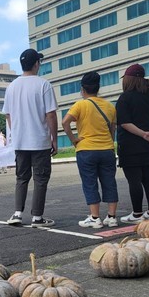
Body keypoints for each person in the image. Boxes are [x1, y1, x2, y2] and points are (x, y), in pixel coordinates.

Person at [2, 48, 58, 228]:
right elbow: (51, 115)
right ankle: (37, 217)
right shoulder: (43, 85)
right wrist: (54, 138)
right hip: (39, 140)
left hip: (20, 141)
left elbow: (8, 115)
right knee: (40, 178)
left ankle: (18, 213)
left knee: (21, 177)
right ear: (36, 64)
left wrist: (16, 132)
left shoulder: (11, 87)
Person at [62, 71, 119, 229]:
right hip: (107, 149)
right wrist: (108, 142)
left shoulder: (80, 105)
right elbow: (112, 129)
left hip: (86, 150)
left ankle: (95, 218)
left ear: (83, 89)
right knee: (109, 182)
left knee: (90, 183)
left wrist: (73, 139)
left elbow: (65, 122)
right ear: (98, 87)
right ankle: (112, 217)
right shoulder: (109, 106)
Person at [116, 64, 149, 224]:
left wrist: (142, 134)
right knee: (148, 177)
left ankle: (136, 214)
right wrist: (146, 134)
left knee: (134, 179)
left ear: (129, 79)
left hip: (130, 144)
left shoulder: (125, 97)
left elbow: (125, 123)